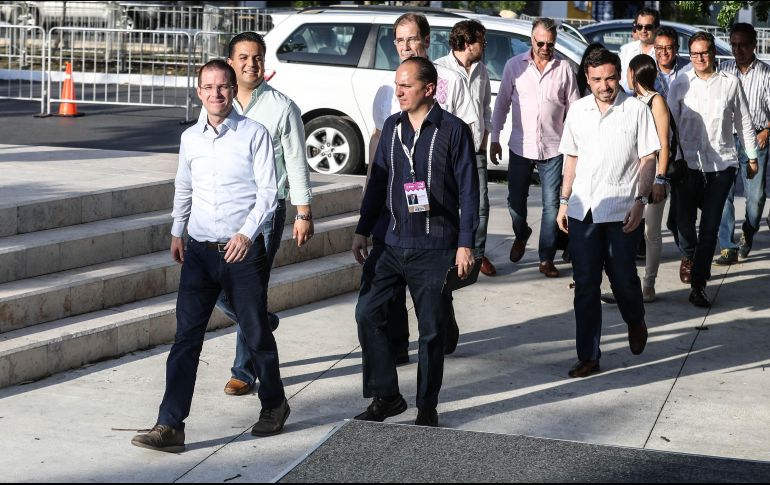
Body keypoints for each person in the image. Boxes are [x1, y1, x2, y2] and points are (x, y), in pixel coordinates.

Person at [131, 60, 289, 452]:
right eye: (208, 87)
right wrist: (176, 230)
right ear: (198, 92)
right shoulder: (190, 139)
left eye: (223, 87)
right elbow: (183, 186)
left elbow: (268, 193)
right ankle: (170, 425)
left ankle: (274, 404)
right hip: (199, 253)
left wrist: (246, 234)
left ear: (233, 90)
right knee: (185, 340)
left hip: (241, 253)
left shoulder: (255, 134)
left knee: (255, 333)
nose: (216, 94)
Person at [352, 57, 478, 427]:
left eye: (406, 85)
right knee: (367, 313)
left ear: (429, 88)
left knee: (431, 331)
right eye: (397, 85)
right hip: (390, 242)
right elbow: (377, 182)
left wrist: (465, 243)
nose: (400, 92)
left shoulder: (454, 131)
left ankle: (426, 407)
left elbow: (470, 192)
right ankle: (386, 395)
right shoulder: (391, 127)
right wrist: (363, 228)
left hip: (436, 245)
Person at [368, 13, 476, 364]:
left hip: (437, 210)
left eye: (411, 39)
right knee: (392, 281)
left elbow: (460, 137)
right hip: (396, 207)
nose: (405, 46)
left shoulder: (445, 80)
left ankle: (442, 324)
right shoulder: (391, 88)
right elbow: (380, 140)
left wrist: (466, 235)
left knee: (433, 291)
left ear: (427, 41)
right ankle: (399, 345)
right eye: (399, 40)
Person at [216, 32, 314, 397]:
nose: (250, 64)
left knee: (249, 286)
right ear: (231, 62)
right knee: (217, 285)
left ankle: (243, 370)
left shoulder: (281, 107)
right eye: (243, 57)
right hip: (223, 209)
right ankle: (260, 321)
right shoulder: (217, 103)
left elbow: (296, 162)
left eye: (257, 58)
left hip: (267, 212)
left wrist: (304, 212)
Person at [557, 48, 659, 378]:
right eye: (597, 79)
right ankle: (588, 355)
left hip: (621, 211)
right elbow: (570, 158)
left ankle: (635, 318)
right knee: (585, 284)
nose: (604, 85)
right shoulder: (577, 111)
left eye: (610, 78)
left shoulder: (635, 110)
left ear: (620, 76)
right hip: (583, 210)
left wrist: (640, 201)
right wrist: (563, 200)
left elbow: (648, 159)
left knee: (624, 281)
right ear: (587, 79)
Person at [668, 32, 758, 307]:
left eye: (704, 53)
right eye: (694, 54)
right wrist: (663, 160)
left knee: (709, 227)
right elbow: (668, 124)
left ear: (713, 54)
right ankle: (690, 254)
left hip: (721, 166)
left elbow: (743, 121)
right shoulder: (681, 81)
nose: (699, 58)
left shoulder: (730, 83)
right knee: (681, 222)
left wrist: (752, 157)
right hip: (688, 165)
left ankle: (698, 284)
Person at [491, 17, 579, 278]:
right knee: (515, 202)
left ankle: (545, 258)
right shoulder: (513, 67)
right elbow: (502, 104)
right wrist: (494, 137)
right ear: (532, 40)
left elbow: (574, 109)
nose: (545, 48)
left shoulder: (564, 69)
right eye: (540, 43)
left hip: (553, 148)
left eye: (550, 44)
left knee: (552, 205)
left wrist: (575, 146)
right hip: (520, 146)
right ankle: (521, 233)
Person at [435, 20, 496, 276]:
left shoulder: (482, 70)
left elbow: (484, 106)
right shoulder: (441, 70)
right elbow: (439, 110)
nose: (484, 45)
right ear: (468, 42)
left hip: (476, 150)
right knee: (448, 203)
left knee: (481, 205)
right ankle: (450, 251)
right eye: (482, 40)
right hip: (450, 151)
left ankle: (477, 253)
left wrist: (485, 136)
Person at [716, 23, 770, 264]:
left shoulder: (766, 74)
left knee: (756, 197)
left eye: (743, 45)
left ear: (753, 45)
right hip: (726, 139)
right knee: (723, 195)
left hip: (756, 140)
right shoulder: (723, 70)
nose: (738, 49)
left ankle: (747, 233)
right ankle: (727, 246)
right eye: (734, 44)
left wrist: (767, 130)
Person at [619, 7, 659, 92]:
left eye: (648, 27)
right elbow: (620, 80)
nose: (643, 30)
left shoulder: (662, 52)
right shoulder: (626, 50)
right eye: (639, 26)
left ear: (656, 28)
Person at [653, 26, 691, 99]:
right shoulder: (647, 68)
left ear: (676, 48)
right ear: (654, 48)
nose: (664, 52)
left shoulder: (690, 68)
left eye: (668, 48)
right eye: (659, 48)